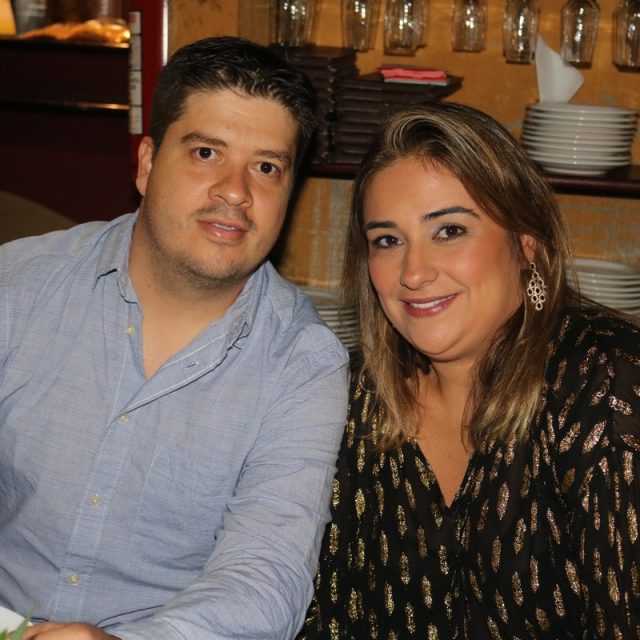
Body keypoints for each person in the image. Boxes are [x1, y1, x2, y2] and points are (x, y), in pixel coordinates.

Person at [0, 36, 350, 640]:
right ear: (146, 164)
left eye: (267, 167)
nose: (236, 191)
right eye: (206, 152)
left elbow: (266, 576)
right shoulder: (17, 285)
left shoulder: (304, 363)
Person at [297, 102, 640, 639]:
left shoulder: (604, 383)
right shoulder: (351, 400)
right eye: (388, 240)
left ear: (525, 243)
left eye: (449, 230)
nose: (413, 272)